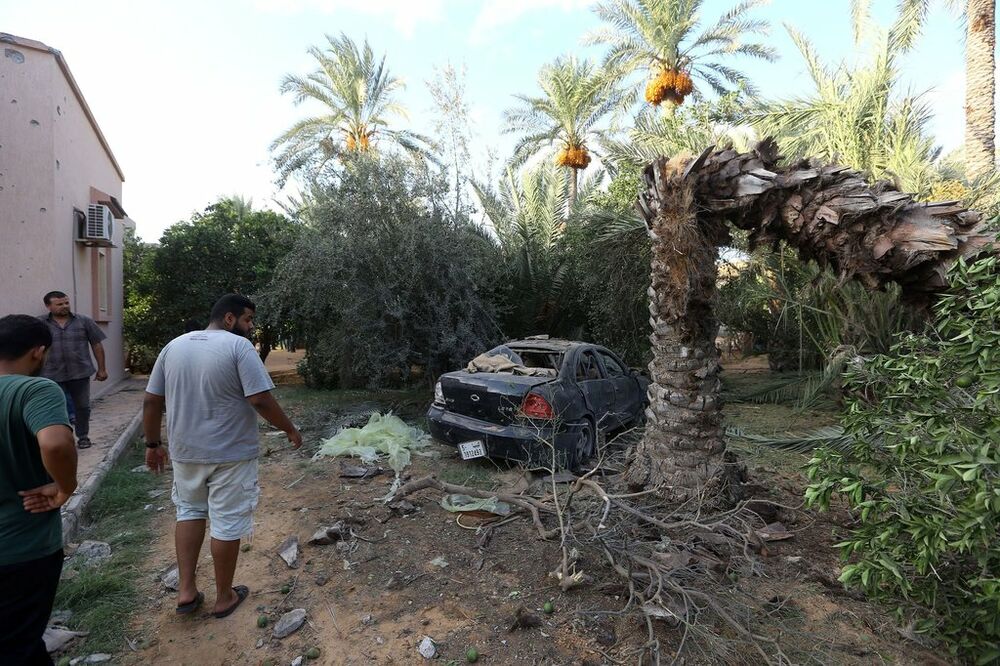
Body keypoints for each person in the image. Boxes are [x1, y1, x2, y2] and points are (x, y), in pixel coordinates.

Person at [143, 294, 302, 618]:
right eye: (248, 320)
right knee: (227, 521)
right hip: (231, 453)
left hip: (185, 452)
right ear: (229, 319)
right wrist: (289, 428)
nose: (251, 328)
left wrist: (152, 445)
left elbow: (150, 401)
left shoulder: (174, 347)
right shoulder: (238, 347)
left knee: (188, 511)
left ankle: (186, 592)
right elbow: (259, 399)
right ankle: (224, 597)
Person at [0, 315, 78, 665]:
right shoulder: (34, 389)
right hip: (21, 547)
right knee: (19, 647)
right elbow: (57, 444)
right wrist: (65, 487)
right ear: (38, 351)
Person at [39, 291, 108, 449]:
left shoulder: (84, 321)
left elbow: (97, 344)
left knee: (82, 406)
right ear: (48, 306)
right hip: (51, 374)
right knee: (57, 408)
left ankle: (83, 436)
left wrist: (102, 369)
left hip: (80, 372)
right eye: (59, 304)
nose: (65, 306)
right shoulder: (40, 324)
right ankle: (64, 439)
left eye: (66, 303)